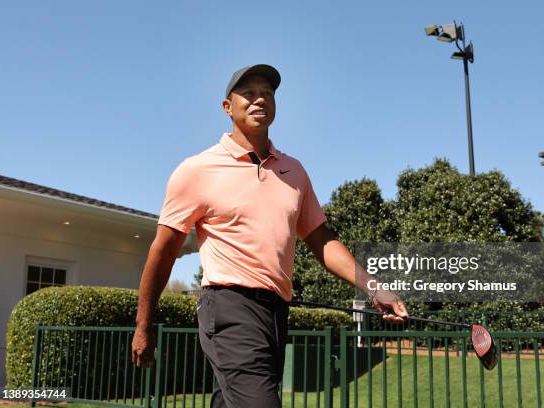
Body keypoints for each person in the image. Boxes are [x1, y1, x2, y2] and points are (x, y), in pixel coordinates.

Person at [131, 64, 408, 407]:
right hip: (229, 307)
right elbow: (163, 252)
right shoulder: (196, 170)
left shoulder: (294, 171)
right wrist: (144, 324)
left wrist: (372, 285)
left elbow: (321, 239)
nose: (260, 99)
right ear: (227, 107)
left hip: (276, 312)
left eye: (268, 93)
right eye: (249, 93)